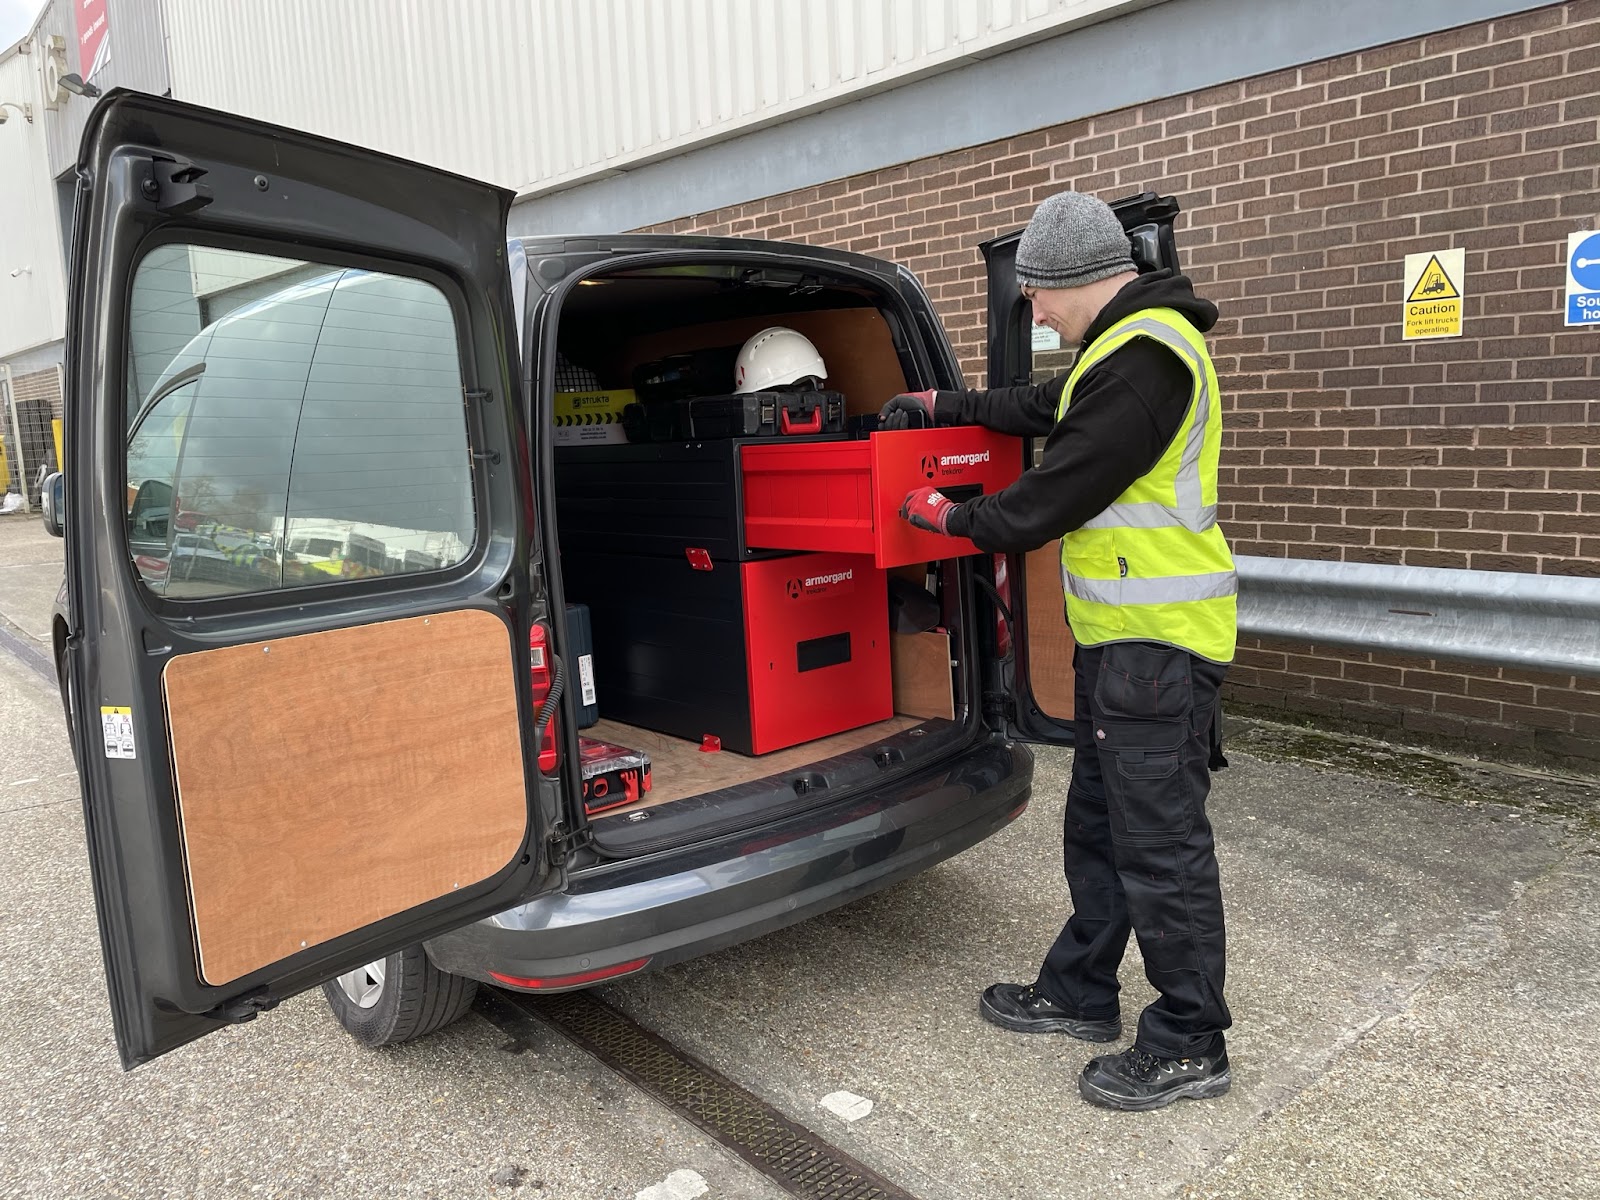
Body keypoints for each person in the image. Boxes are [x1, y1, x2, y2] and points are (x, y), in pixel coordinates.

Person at [884, 190, 1237, 1113]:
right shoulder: (1115, 354)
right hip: (1121, 649)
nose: (1033, 312)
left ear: (1076, 278)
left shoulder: (1146, 361)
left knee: (1160, 848)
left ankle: (1190, 1039)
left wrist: (946, 517)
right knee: (1100, 828)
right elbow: (1041, 406)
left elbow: (1047, 501)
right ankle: (1080, 990)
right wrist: (945, 403)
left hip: (1158, 650)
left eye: (1035, 295)